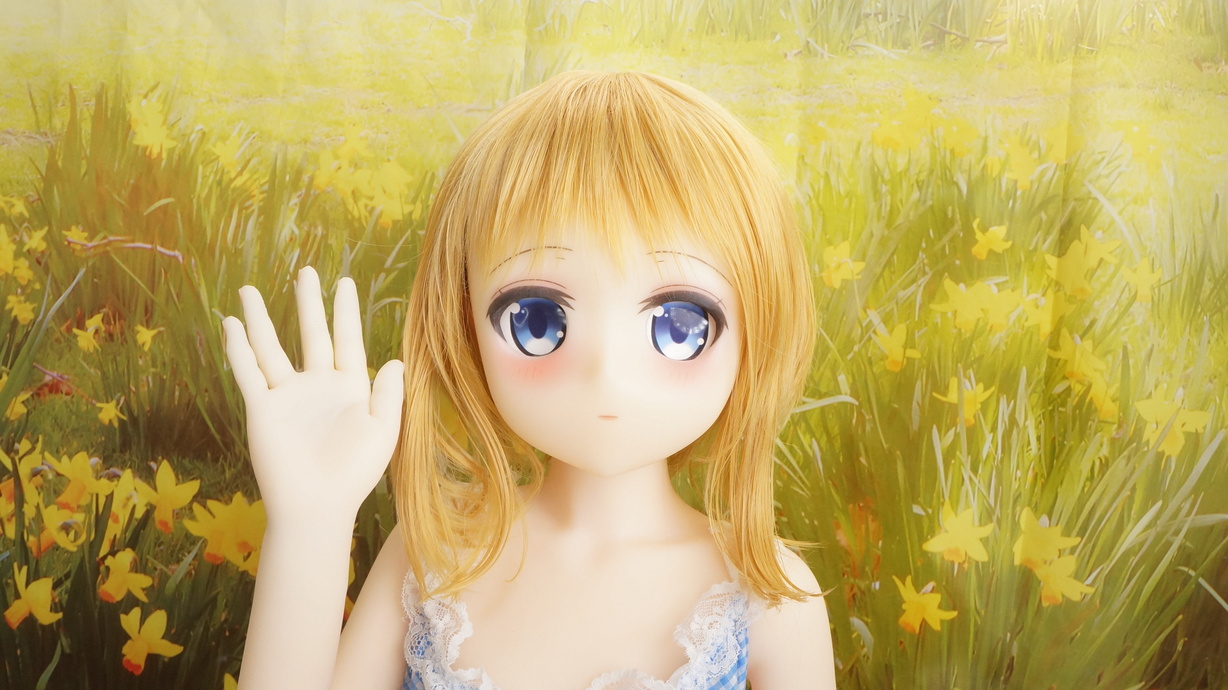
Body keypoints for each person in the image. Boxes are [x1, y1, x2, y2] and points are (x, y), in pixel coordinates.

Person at [222, 70, 837, 690]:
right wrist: (311, 526)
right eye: (537, 321)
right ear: (465, 323)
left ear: (757, 325)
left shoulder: (769, 599)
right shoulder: (433, 558)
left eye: (679, 326)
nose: (606, 373)